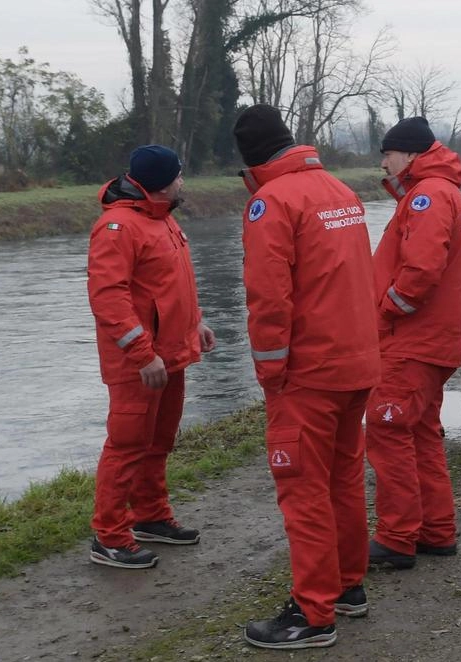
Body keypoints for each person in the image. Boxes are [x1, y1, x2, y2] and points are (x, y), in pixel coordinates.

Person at [233, 104, 381, 650]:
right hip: (356, 363)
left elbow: (269, 298)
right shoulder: (339, 193)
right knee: (342, 478)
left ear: (249, 158)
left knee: (303, 490)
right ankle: (347, 587)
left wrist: (270, 373)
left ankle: (312, 614)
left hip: (309, 373)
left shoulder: (270, 203)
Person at [85, 145, 216, 569]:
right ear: (163, 182)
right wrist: (142, 354)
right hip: (138, 365)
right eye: (179, 175)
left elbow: (174, 284)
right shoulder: (117, 227)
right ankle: (109, 535)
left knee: (158, 442)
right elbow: (108, 299)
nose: (183, 182)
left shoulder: (162, 219)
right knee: (126, 445)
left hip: (169, 355)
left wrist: (196, 323)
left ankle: (151, 516)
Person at [366, 116, 461, 570]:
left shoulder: (428, 195)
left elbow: (421, 270)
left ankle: (397, 538)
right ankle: (435, 530)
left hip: (412, 342)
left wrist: (387, 309)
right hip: (431, 340)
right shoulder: (439, 191)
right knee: (421, 433)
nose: (383, 163)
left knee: (388, 432)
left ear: (408, 154)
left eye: (387, 154)